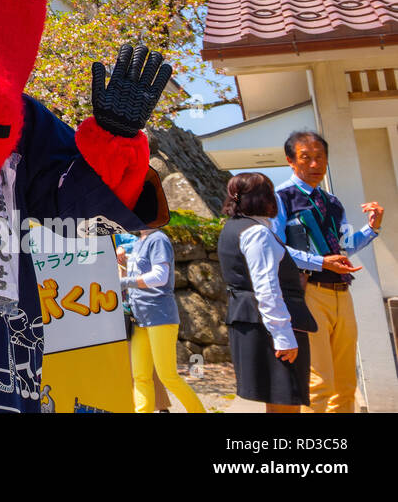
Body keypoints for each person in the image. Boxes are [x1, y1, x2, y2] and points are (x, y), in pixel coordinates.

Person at [273, 130, 385, 412]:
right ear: (290, 161)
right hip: (309, 292)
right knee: (319, 381)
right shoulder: (281, 198)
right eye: (305, 158)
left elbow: (346, 245)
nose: (314, 164)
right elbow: (277, 249)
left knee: (346, 383)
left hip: (342, 294)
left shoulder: (333, 202)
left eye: (319, 157)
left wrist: (372, 227)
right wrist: (321, 263)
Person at [220, 172, 317, 412]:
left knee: (275, 400)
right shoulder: (258, 233)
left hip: (248, 319)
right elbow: (267, 288)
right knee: (286, 401)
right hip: (270, 326)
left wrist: (322, 263)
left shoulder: (233, 228)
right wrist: (283, 336)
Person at [118, 227, 206, 413]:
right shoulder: (140, 240)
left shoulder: (158, 239)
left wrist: (125, 282)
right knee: (140, 376)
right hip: (139, 317)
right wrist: (125, 263)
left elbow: (160, 277)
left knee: (168, 375)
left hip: (159, 316)